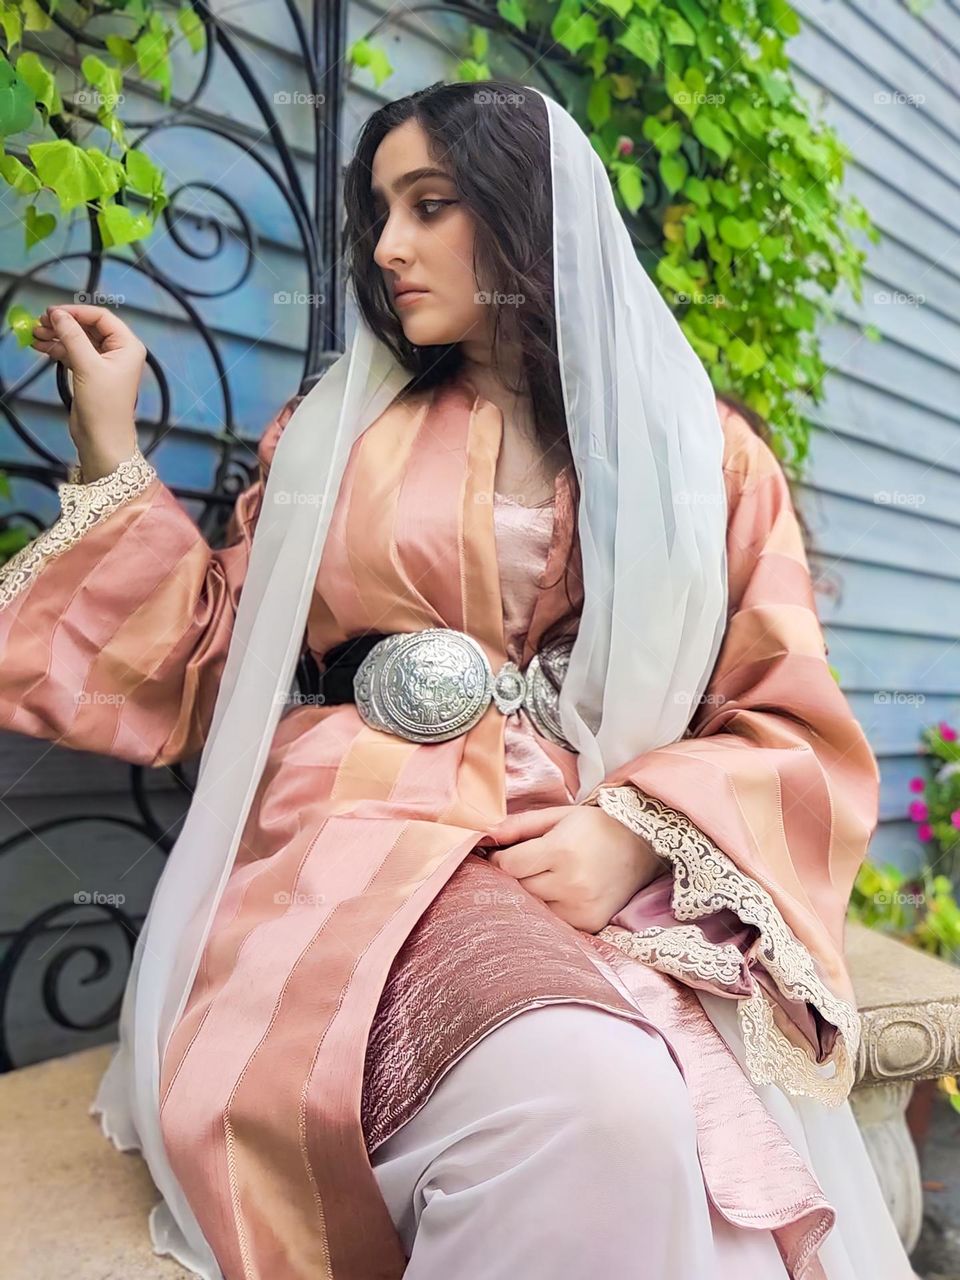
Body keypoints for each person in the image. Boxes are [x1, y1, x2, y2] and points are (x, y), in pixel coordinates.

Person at [0, 80, 917, 1280]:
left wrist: (639, 833)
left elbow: (789, 706)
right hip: (353, 841)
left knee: (664, 1132)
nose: (387, 246)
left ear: (527, 211)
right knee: (594, 1106)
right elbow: (210, 656)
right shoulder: (335, 435)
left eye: (430, 205)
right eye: (380, 211)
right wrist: (109, 446)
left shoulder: (704, 458)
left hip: (579, 858)